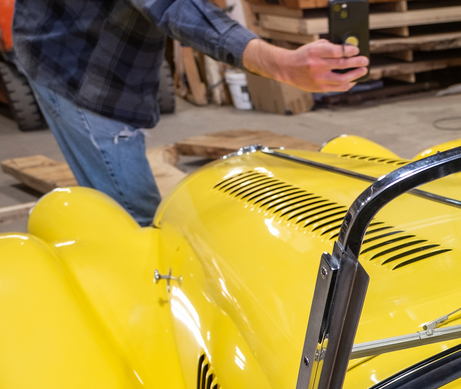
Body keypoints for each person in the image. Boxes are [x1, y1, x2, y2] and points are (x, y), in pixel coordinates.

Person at [12, 0, 369, 226]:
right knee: (138, 219)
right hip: (77, 65)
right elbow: (171, 5)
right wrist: (277, 63)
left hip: (107, 48)